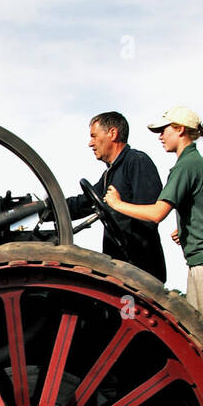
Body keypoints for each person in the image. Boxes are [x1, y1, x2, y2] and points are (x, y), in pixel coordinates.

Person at [104, 105, 203, 377]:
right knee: (200, 337)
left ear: (180, 130)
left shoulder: (187, 165)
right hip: (202, 261)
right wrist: (186, 228)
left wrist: (117, 203)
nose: (160, 136)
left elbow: (156, 213)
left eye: (164, 130)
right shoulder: (191, 164)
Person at [64, 112, 167, 282]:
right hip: (120, 270)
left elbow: (150, 216)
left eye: (94, 136)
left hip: (139, 272)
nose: (90, 143)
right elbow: (83, 203)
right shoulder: (109, 175)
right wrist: (46, 207)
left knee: (128, 310)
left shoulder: (137, 161)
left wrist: (118, 205)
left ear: (112, 133)